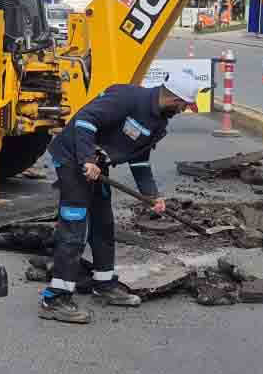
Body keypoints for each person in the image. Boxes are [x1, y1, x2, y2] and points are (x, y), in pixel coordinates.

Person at [39, 80, 195, 325]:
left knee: (103, 224)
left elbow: (140, 159)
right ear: (175, 100)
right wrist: (86, 159)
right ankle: (55, 298)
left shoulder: (157, 122)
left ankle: (104, 284)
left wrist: (151, 195)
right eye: (183, 106)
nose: (183, 110)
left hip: (96, 165)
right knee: (74, 229)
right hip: (72, 159)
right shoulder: (126, 97)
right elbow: (85, 121)